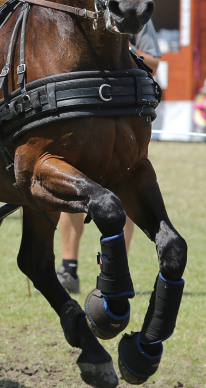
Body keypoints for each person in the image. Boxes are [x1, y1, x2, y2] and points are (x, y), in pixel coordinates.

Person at [57, 19, 162, 293]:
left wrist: (121, 48)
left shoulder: (136, 15)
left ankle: (118, 268)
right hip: (82, 112)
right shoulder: (78, 12)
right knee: (73, 188)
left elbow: (154, 61)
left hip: (122, 115)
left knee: (125, 190)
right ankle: (68, 267)